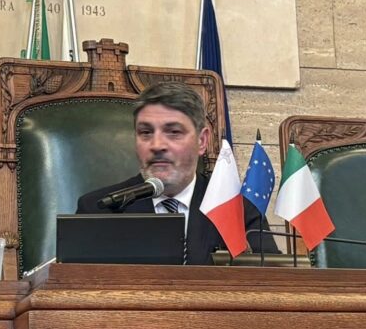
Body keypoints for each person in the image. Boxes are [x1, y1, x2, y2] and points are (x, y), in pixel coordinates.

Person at [76, 82, 277, 264]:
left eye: (173, 132)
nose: (157, 145)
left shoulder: (238, 208)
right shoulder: (99, 209)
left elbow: (272, 280)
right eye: (146, 132)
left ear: (202, 141)